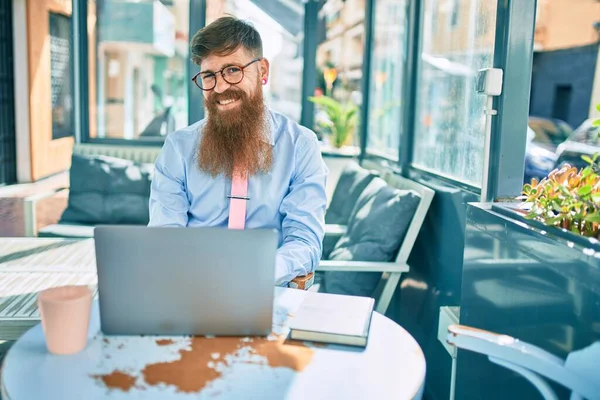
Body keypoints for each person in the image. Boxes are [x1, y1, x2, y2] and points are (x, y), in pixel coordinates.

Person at [148, 16, 328, 287]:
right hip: (193, 290)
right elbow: (165, 237)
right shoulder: (178, 148)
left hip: (268, 290)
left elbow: (304, 241)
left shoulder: (300, 146)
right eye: (209, 75)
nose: (220, 87)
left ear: (263, 71)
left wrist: (253, 274)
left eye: (233, 70)